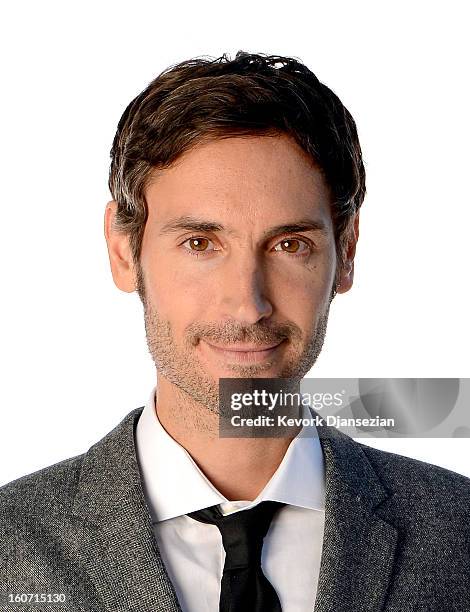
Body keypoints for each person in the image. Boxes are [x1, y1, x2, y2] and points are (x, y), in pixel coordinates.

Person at [1, 51, 469, 612]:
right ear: (124, 252)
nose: (248, 306)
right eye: (200, 244)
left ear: (345, 252)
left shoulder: (457, 534)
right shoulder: (11, 547)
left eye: (289, 245)